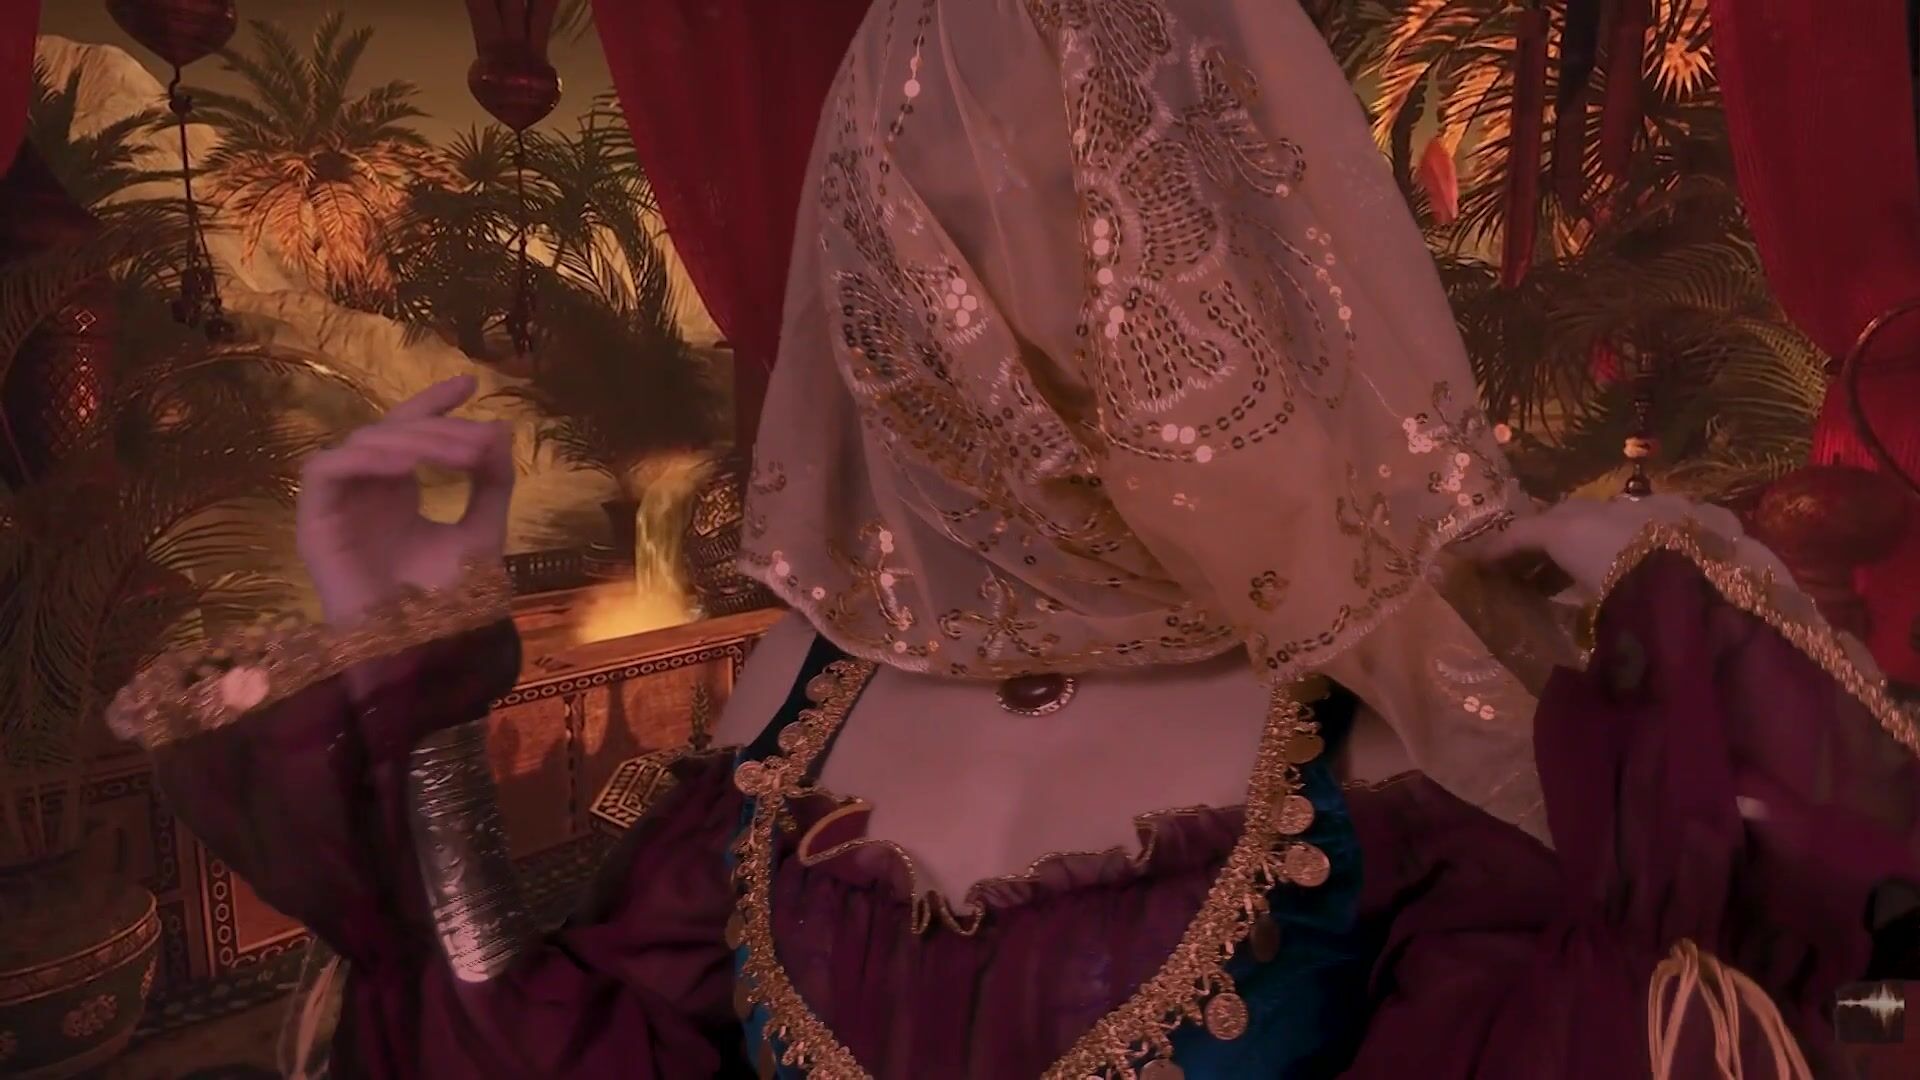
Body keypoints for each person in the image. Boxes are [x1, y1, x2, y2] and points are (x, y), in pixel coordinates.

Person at [109, 1, 1920, 1077]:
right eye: (912, 229)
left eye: (1065, 225)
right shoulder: (810, 690)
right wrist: (420, 710)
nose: (962, 315)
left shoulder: (1428, 660)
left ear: (1239, 252)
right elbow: (570, 1055)